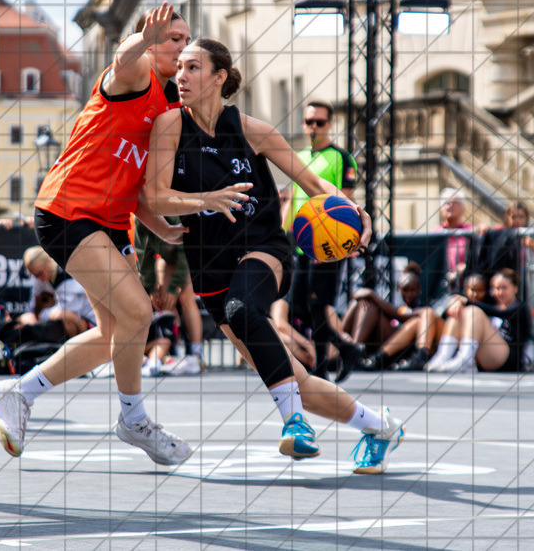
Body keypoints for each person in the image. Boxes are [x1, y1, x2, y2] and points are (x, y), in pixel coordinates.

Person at [144, 37, 405, 473]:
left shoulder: (253, 130)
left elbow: (316, 184)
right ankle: (381, 426)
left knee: (242, 306)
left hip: (265, 249)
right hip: (210, 268)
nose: (181, 76)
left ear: (219, 77)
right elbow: (155, 196)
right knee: (293, 378)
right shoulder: (169, 126)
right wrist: (207, 198)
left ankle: (295, 424)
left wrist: (358, 215)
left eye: (192, 68)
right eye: (180, 68)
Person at [0, 3, 194, 466]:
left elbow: (137, 185)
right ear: (153, 41)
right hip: (69, 210)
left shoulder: (169, 107)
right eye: (172, 39)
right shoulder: (135, 74)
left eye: (185, 39)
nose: (180, 46)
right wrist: (143, 35)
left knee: (111, 335)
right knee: (138, 312)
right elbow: (123, 57)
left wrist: (164, 229)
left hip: (112, 220)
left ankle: (18, 393)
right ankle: (133, 419)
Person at [279, 100, 360, 379]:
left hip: (329, 241)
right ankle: (345, 348)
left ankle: (322, 366)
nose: (314, 127)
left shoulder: (340, 157)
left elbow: (346, 202)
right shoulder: (298, 156)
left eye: (320, 122)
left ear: (329, 125)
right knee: (297, 305)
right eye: (309, 121)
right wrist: (281, 233)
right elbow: (291, 198)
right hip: (300, 241)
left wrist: (343, 240)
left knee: (318, 303)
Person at [134, 217, 205, 375]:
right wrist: (152, 287)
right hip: (168, 258)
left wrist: (175, 288)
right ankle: (174, 350)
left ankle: (196, 352)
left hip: (191, 255)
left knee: (186, 298)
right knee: (165, 300)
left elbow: (183, 254)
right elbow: (143, 254)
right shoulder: (141, 217)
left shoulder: (174, 216)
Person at [426, 269, 530, 373]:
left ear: (515, 288)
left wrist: (466, 301)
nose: (499, 292)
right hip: (486, 354)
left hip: (507, 358)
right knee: (460, 311)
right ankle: (443, 355)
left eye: (504, 288)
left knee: (473, 311)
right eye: (495, 288)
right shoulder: (493, 303)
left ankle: (465, 361)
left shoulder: (520, 308)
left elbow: (500, 313)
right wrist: (457, 300)